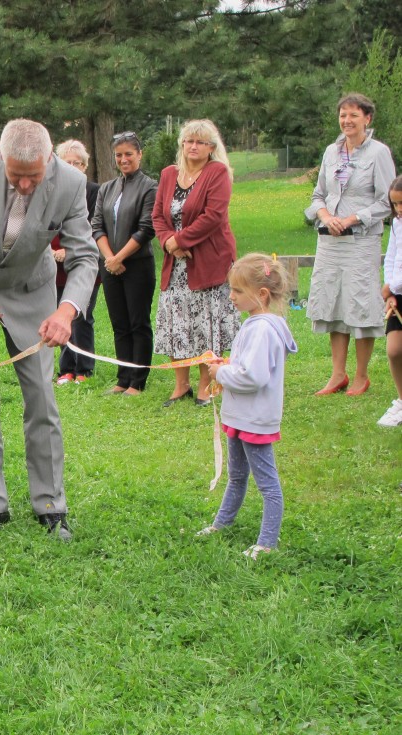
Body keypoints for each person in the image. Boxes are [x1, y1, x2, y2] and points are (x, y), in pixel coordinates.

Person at [0, 118, 98, 541]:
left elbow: (84, 257)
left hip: (33, 293)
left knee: (42, 400)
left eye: (34, 177)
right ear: (1, 160)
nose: (25, 186)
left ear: (50, 159)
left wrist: (65, 312)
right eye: (15, 176)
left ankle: (50, 506)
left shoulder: (71, 183)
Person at [200, 254, 298, 560]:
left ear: (262, 294)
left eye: (238, 291)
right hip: (241, 417)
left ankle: (267, 543)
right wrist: (228, 364)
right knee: (237, 476)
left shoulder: (263, 329)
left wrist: (221, 373)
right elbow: (248, 366)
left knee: (267, 485)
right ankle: (221, 524)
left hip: (254, 420)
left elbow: (253, 377)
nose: (231, 296)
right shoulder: (256, 325)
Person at [305, 93, 396, 397]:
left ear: (367, 119)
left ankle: (361, 375)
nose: (347, 121)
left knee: (359, 302)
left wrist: (353, 218)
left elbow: (388, 202)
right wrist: (326, 215)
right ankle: (337, 374)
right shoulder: (332, 152)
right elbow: (318, 194)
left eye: (353, 115)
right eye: (343, 115)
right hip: (330, 242)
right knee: (333, 302)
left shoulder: (378, 153)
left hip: (360, 241)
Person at [153, 119, 240, 407]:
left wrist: (181, 241)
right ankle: (181, 386)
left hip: (209, 261)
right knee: (178, 322)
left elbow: (213, 216)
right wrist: (168, 242)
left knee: (205, 323)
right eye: (189, 140)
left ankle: (207, 384)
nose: (193, 146)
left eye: (200, 142)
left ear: (211, 148)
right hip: (175, 265)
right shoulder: (168, 174)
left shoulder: (217, 173)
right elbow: (158, 216)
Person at [91, 131, 158, 395]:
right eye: (119, 155)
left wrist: (120, 257)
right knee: (119, 323)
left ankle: (138, 381)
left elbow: (146, 228)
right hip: (109, 266)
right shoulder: (107, 188)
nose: (123, 159)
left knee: (137, 322)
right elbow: (97, 226)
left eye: (128, 154)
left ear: (139, 155)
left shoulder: (150, 187)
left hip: (137, 265)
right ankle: (123, 378)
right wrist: (110, 258)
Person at [53, 140, 100, 385]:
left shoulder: (93, 191)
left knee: (81, 316)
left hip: (83, 265)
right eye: (66, 162)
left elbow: (92, 228)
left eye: (77, 163)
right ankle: (65, 368)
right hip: (54, 268)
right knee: (61, 315)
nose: (72, 166)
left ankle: (84, 368)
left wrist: (68, 253)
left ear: (85, 166)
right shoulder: (52, 190)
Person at [377, 175, 402, 427]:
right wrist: (391, 292)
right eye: (395, 204)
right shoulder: (397, 224)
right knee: (394, 350)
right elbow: (392, 257)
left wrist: (391, 286)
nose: (399, 209)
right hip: (398, 295)